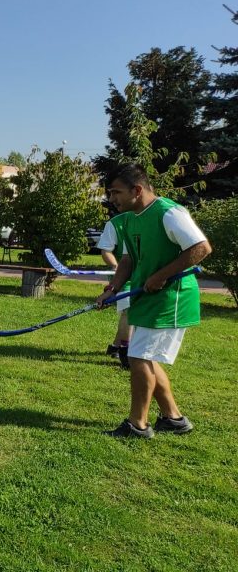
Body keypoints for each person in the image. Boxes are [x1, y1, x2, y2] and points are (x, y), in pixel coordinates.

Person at [96, 164, 211, 438]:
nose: (112, 198)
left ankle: (138, 425)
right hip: (147, 298)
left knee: (138, 357)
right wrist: (112, 288)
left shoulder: (169, 213)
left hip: (171, 299)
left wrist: (161, 275)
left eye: (116, 192)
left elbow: (201, 248)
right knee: (145, 356)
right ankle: (173, 418)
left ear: (137, 190)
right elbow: (127, 260)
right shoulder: (130, 219)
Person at [96, 213, 132, 369]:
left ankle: (116, 347)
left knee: (130, 312)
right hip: (123, 278)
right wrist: (116, 266)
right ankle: (126, 351)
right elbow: (106, 251)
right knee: (129, 311)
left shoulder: (150, 219)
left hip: (143, 275)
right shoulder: (115, 223)